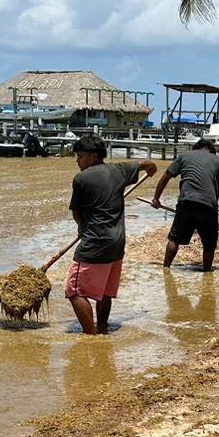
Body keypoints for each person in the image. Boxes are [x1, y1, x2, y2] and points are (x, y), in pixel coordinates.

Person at [67, 135, 156, 336]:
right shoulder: (119, 170)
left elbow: (77, 214)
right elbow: (147, 164)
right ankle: (103, 327)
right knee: (104, 292)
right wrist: (152, 170)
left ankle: (92, 337)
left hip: (95, 243)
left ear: (93, 155)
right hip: (117, 243)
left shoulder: (81, 179)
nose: (77, 161)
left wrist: (83, 229)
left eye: (80, 156)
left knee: (74, 291)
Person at [151, 138, 219, 271]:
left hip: (186, 202)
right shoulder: (218, 161)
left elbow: (166, 176)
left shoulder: (184, 156)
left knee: (174, 239)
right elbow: (216, 190)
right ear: (211, 151)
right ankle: (207, 273)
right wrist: (213, 213)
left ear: (195, 148)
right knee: (209, 245)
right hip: (208, 205)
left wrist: (156, 198)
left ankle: (166, 269)